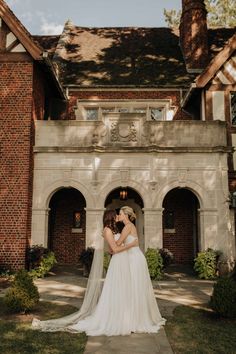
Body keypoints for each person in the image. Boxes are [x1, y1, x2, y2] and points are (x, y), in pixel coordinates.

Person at [32, 209, 138, 335]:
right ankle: (113, 318)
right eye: (115, 215)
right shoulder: (107, 230)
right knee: (114, 289)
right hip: (118, 262)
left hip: (120, 262)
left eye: (118, 215)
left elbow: (111, 249)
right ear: (111, 217)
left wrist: (120, 247)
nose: (117, 217)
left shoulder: (112, 230)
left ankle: (122, 317)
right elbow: (114, 249)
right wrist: (131, 245)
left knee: (120, 289)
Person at [116, 206, 166, 333]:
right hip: (134, 256)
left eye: (121, 213)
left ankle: (135, 319)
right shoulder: (130, 226)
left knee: (134, 287)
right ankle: (134, 317)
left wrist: (113, 236)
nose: (119, 215)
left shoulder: (127, 227)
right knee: (134, 287)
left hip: (133, 258)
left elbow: (119, 243)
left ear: (126, 215)